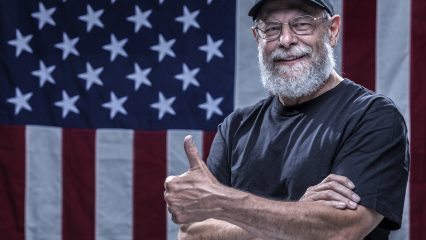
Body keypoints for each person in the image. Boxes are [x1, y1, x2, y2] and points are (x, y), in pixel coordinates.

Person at [164, 0, 410, 239]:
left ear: (332, 31)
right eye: (271, 28)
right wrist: (299, 213)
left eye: (303, 24)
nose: (286, 40)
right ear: (257, 38)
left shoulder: (373, 117)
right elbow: (191, 235)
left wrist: (222, 202)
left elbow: (338, 232)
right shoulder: (235, 128)